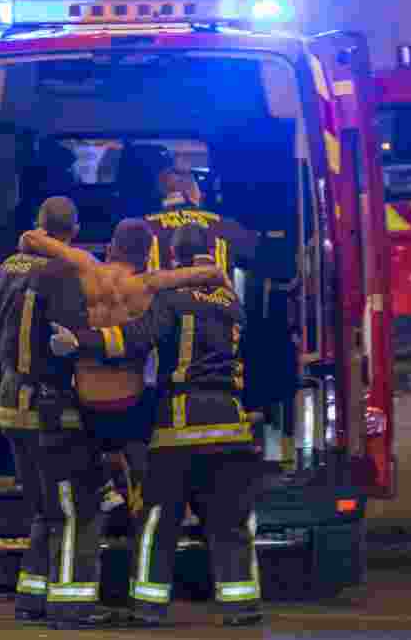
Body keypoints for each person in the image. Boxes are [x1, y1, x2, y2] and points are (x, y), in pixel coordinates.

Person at [50, 223, 264, 627]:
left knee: (157, 520)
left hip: (180, 427)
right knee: (230, 522)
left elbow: (138, 336)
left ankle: (148, 607)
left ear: (175, 256)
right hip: (232, 427)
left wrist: (82, 342)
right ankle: (242, 605)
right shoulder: (233, 302)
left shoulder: (172, 299)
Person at [18, 219, 230, 518]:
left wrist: (37, 234)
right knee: (153, 421)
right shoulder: (151, 283)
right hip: (130, 404)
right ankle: (143, 500)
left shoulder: (86, 267)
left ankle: (107, 485)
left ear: (113, 246)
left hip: (87, 402)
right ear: (146, 254)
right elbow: (211, 274)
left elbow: (29, 238)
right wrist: (215, 276)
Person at [0, 197, 113, 629]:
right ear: (73, 231)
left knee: (44, 508)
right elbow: (71, 338)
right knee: (78, 507)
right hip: (50, 408)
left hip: (9, 402)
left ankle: (32, 597)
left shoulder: (7, 268)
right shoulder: (63, 273)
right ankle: (72, 605)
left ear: (38, 226)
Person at [138, 147, 257, 275]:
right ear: (190, 188)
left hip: (161, 293)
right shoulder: (224, 226)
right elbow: (260, 254)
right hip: (213, 293)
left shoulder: (139, 228)